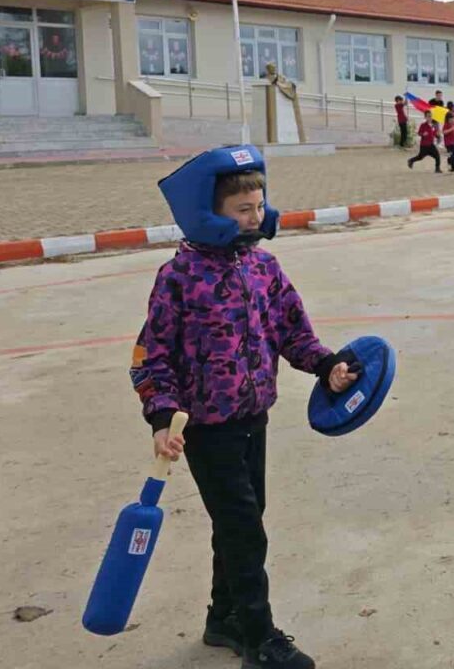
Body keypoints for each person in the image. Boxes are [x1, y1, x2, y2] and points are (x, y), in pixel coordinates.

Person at [130, 147, 359, 669]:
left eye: (259, 206)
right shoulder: (179, 277)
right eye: (243, 210)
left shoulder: (263, 267)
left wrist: (327, 366)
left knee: (240, 521)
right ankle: (260, 638)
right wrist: (162, 417)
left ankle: (223, 617)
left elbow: (293, 332)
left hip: (254, 419)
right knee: (244, 530)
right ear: (209, 213)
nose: (256, 218)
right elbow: (152, 357)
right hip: (206, 428)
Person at [442, 108, 454, 173]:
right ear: (448, 119)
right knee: (451, 155)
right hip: (448, 143)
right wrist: (451, 129)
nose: (453, 120)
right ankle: (450, 165)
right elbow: (444, 132)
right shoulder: (446, 125)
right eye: (451, 119)